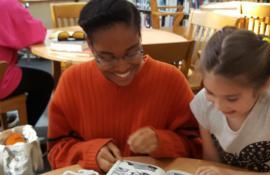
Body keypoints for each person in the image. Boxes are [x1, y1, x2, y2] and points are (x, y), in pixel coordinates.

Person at [47, 0, 201, 172]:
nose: (122, 68)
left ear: (140, 37)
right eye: (107, 57)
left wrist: (162, 142)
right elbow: (55, 150)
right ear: (90, 45)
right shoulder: (72, 81)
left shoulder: (171, 80)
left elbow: (197, 145)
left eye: (132, 52)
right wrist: (90, 153)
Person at [190, 27, 270, 175]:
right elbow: (211, 161)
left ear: (263, 86)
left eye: (232, 98)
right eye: (210, 92)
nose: (219, 106)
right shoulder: (203, 103)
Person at [0, 0, 54, 127]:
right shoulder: (7, 4)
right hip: (1, 78)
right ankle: (24, 130)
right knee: (45, 82)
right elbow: (35, 34)